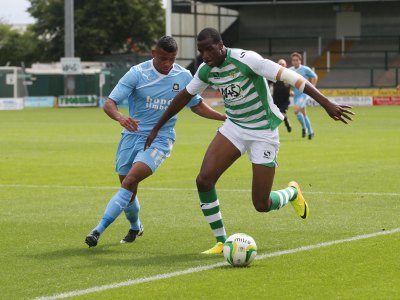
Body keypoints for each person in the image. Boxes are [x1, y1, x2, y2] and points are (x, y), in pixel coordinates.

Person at [145, 28, 354, 254]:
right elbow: (184, 97)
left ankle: (292, 192)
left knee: (261, 204)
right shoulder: (206, 71)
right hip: (234, 127)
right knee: (204, 180)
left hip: (264, 131)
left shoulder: (248, 59)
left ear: (221, 46)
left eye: (209, 49)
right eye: (201, 51)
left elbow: (292, 77)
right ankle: (220, 241)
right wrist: (157, 127)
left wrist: (326, 103)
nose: (205, 55)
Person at [84, 36, 226, 248]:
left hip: (160, 139)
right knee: (128, 188)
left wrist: (223, 117)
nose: (167, 64)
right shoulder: (137, 73)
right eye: (162, 59)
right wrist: (122, 118)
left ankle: (98, 230)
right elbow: (109, 104)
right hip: (132, 137)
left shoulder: (184, 75)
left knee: (130, 180)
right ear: (153, 54)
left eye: (171, 59)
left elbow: (196, 105)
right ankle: (135, 226)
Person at [290, 52, 318, 139]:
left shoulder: (305, 69)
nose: (295, 62)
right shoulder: (290, 70)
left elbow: (315, 76)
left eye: (297, 60)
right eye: (294, 60)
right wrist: (290, 90)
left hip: (304, 94)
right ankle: (311, 132)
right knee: (303, 114)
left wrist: (312, 87)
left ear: (300, 61)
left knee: (296, 111)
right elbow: (288, 81)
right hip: (296, 95)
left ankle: (304, 128)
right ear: (292, 61)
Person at [271, 58, 292, 132]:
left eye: (283, 64)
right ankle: (286, 120)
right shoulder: (274, 75)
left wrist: (292, 91)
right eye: (280, 64)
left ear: (286, 65)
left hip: (285, 101)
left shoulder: (289, 75)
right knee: (275, 115)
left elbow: (295, 84)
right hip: (275, 100)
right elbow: (267, 83)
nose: (281, 65)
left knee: (279, 116)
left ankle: (274, 132)